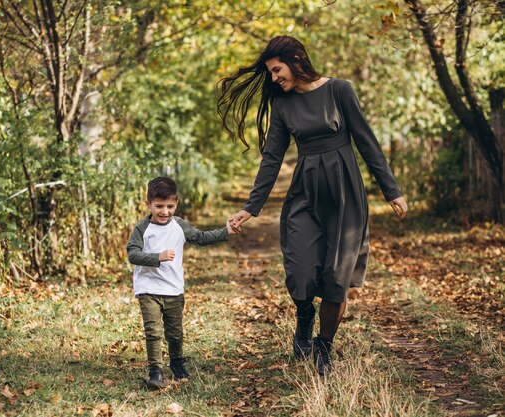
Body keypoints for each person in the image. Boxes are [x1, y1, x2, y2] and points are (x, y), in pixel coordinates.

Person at [218, 36, 408, 376]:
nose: (274, 78)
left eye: (277, 70)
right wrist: (251, 207)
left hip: (345, 196)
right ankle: (304, 316)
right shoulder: (283, 105)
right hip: (305, 194)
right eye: (271, 73)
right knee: (301, 271)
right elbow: (272, 158)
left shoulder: (339, 90)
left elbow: (366, 140)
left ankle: (324, 347)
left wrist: (390, 190)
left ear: (295, 59)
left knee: (336, 278)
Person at [127, 176, 236, 389]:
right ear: (148, 204)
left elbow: (201, 238)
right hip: (148, 288)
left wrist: (226, 231)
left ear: (176, 203)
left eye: (169, 206)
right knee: (153, 331)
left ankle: (176, 363)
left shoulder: (179, 225)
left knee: (174, 332)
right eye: (159, 206)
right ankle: (155, 372)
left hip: (174, 289)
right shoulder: (142, 228)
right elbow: (133, 254)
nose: (164, 211)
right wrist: (156, 257)